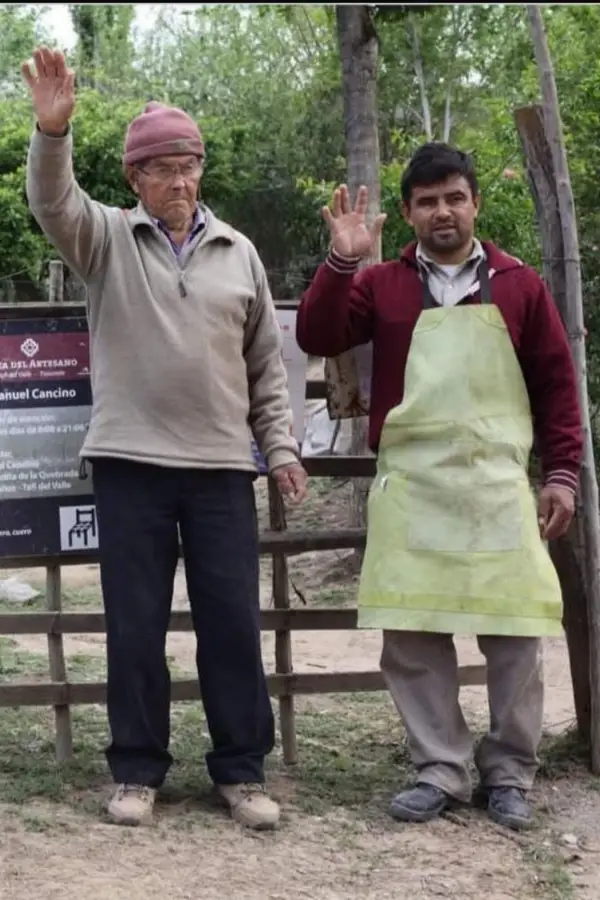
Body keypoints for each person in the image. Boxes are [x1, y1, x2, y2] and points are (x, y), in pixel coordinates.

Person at [23, 46, 308, 831]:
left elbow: (264, 367)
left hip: (220, 468)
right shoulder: (107, 240)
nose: (180, 182)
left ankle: (242, 772)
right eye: (163, 169)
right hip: (131, 465)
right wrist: (53, 135)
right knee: (135, 625)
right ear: (135, 179)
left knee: (231, 624)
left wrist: (278, 448)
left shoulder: (237, 251)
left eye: (190, 166)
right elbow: (52, 204)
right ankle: (137, 771)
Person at [296, 142, 582, 831]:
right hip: (413, 485)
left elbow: (556, 386)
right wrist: (342, 260)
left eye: (455, 197)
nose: (443, 212)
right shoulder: (381, 285)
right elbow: (318, 330)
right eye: (427, 202)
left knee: (516, 632)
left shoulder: (518, 286)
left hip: (496, 486)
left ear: (475, 203)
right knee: (413, 634)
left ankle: (511, 771)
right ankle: (440, 768)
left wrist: (563, 475)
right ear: (408, 214)